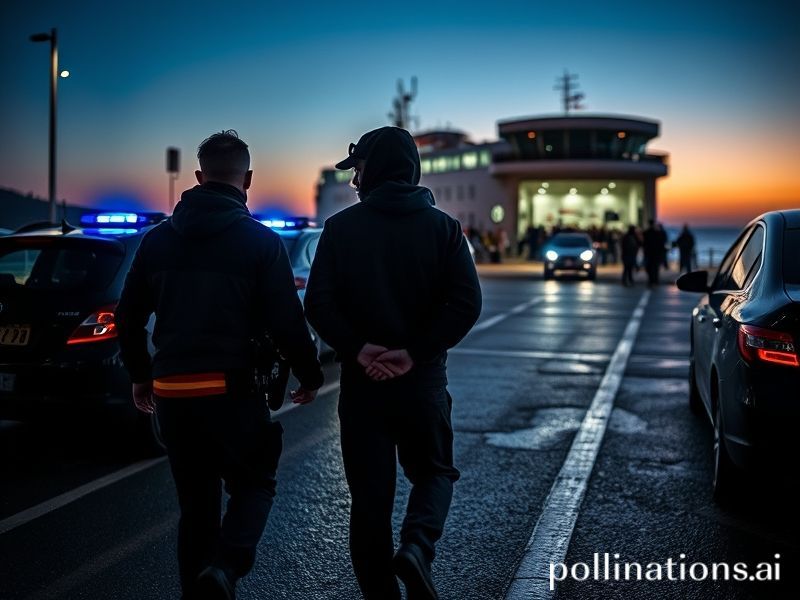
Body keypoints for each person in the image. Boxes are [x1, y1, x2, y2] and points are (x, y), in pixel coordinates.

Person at [116, 130, 324, 600]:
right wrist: (309, 376)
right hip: (232, 392)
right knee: (255, 483)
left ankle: (198, 591)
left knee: (196, 510)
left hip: (173, 394)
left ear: (197, 176)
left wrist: (139, 376)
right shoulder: (261, 243)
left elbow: (127, 317)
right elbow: (289, 322)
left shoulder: (156, 242)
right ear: (248, 178)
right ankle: (226, 568)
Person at [304, 126, 482, 600]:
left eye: (358, 169)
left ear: (374, 169)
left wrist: (358, 348)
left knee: (369, 502)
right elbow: (465, 304)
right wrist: (414, 352)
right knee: (435, 473)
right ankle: (418, 547)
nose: (354, 181)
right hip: (422, 382)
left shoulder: (341, 228)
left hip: (364, 388)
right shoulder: (444, 228)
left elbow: (318, 304)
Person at [642, 219, 663, 286]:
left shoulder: (646, 233)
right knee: (654, 268)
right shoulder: (657, 233)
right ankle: (655, 280)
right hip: (655, 253)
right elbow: (660, 243)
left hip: (649, 253)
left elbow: (644, 243)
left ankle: (652, 280)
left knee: (650, 268)